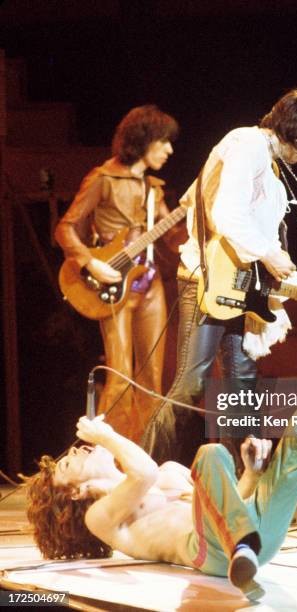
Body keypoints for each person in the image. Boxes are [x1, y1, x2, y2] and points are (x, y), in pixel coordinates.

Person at [26, 305, 297, 601]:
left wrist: (251, 473)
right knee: (209, 452)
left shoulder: (168, 475)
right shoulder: (102, 518)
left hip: (255, 535)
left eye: (75, 450)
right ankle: (241, 548)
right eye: (69, 463)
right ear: (74, 493)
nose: (79, 450)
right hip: (212, 554)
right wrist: (106, 436)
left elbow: (229, 501)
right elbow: (142, 475)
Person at [141, 89, 297, 466]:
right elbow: (227, 214)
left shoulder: (272, 167)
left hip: (242, 288)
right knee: (190, 385)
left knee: (242, 391)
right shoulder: (246, 143)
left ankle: (247, 490)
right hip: (207, 282)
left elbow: (269, 245)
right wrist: (266, 253)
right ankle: (144, 478)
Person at [55, 105, 184, 443]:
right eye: (164, 142)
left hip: (150, 281)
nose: (170, 150)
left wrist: (202, 227)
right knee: (120, 373)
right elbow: (65, 228)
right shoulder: (103, 178)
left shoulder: (153, 188)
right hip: (114, 282)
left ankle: (145, 454)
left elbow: (172, 239)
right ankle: (108, 455)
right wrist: (90, 262)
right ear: (144, 140)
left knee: (153, 376)